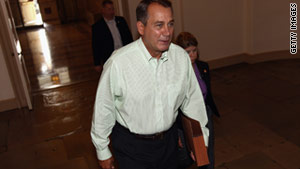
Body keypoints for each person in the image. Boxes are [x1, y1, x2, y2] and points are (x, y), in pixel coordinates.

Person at [91, 1, 209, 169]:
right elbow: (104, 108)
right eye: (159, 25)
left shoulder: (181, 58)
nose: (167, 32)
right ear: (141, 27)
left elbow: (193, 102)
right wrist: (102, 150)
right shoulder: (119, 62)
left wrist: (200, 141)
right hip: (132, 148)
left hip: (169, 144)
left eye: (170, 24)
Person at [176, 32, 220, 169]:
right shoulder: (177, 72)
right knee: (187, 155)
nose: (192, 55)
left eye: (194, 50)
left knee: (207, 149)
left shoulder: (203, 67)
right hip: (186, 117)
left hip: (205, 112)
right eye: (188, 52)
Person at [92, 0, 133, 72]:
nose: (112, 12)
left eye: (113, 9)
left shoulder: (121, 21)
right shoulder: (97, 27)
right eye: (109, 9)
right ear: (103, 10)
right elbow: (96, 46)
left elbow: (129, 38)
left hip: (124, 53)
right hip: (109, 57)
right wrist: (97, 63)